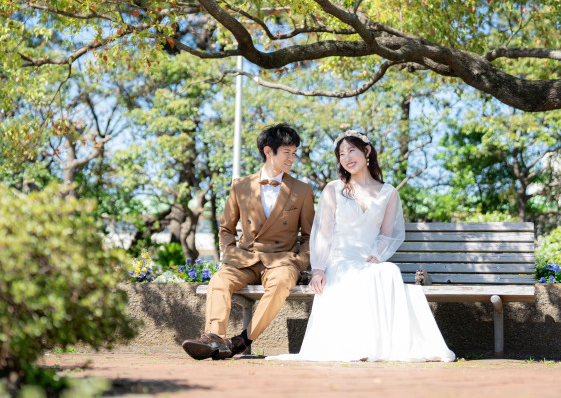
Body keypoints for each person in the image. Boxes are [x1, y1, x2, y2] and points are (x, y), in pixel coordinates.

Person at [269, 130, 455, 362]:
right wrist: (318, 269)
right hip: (338, 262)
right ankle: (357, 347)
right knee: (363, 275)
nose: (346, 157)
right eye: (341, 154)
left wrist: (377, 255)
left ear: (366, 151)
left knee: (389, 271)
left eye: (351, 151)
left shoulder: (388, 193)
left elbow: (388, 234)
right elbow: (323, 233)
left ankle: (382, 347)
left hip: (367, 260)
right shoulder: (334, 189)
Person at [181, 123, 315, 360]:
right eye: (287, 152)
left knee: (281, 283)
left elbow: (308, 236)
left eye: (294, 153)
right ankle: (213, 337)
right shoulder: (240, 186)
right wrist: (229, 253)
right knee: (219, 279)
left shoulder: (302, 190)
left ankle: (242, 340)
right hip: (244, 258)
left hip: (281, 261)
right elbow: (226, 228)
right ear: (268, 151)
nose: (292, 158)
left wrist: (299, 262)